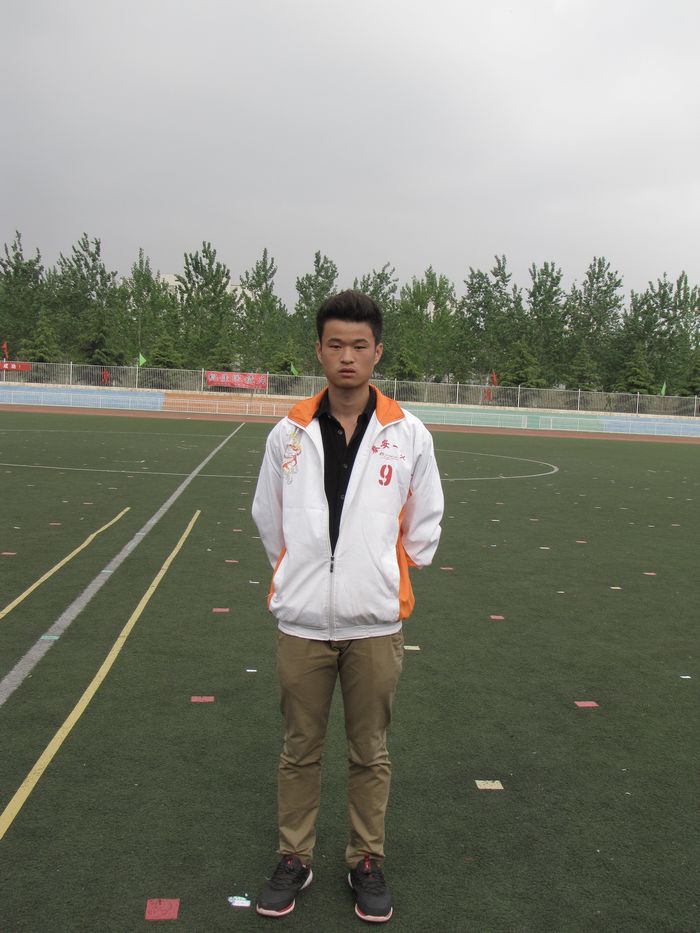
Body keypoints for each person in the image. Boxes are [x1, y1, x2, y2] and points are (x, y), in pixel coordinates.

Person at [252, 289, 444, 923]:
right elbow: (269, 519)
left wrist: (381, 572)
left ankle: (366, 861)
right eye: (335, 344)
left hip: (375, 623)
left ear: (377, 352)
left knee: (370, 753)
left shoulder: (407, 433)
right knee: (299, 749)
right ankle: (294, 858)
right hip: (302, 623)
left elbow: (424, 522)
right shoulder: (287, 433)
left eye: (359, 345)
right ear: (319, 350)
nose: (347, 356)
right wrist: (302, 574)